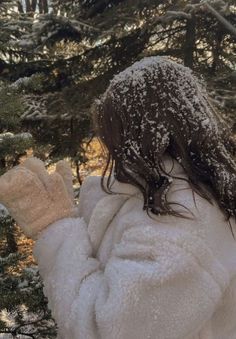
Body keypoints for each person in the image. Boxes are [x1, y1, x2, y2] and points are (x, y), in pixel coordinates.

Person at [0, 56, 236, 339]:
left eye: (114, 134)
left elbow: (105, 330)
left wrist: (54, 228)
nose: (112, 148)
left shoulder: (183, 220)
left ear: (138, 135)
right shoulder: (183, 197)